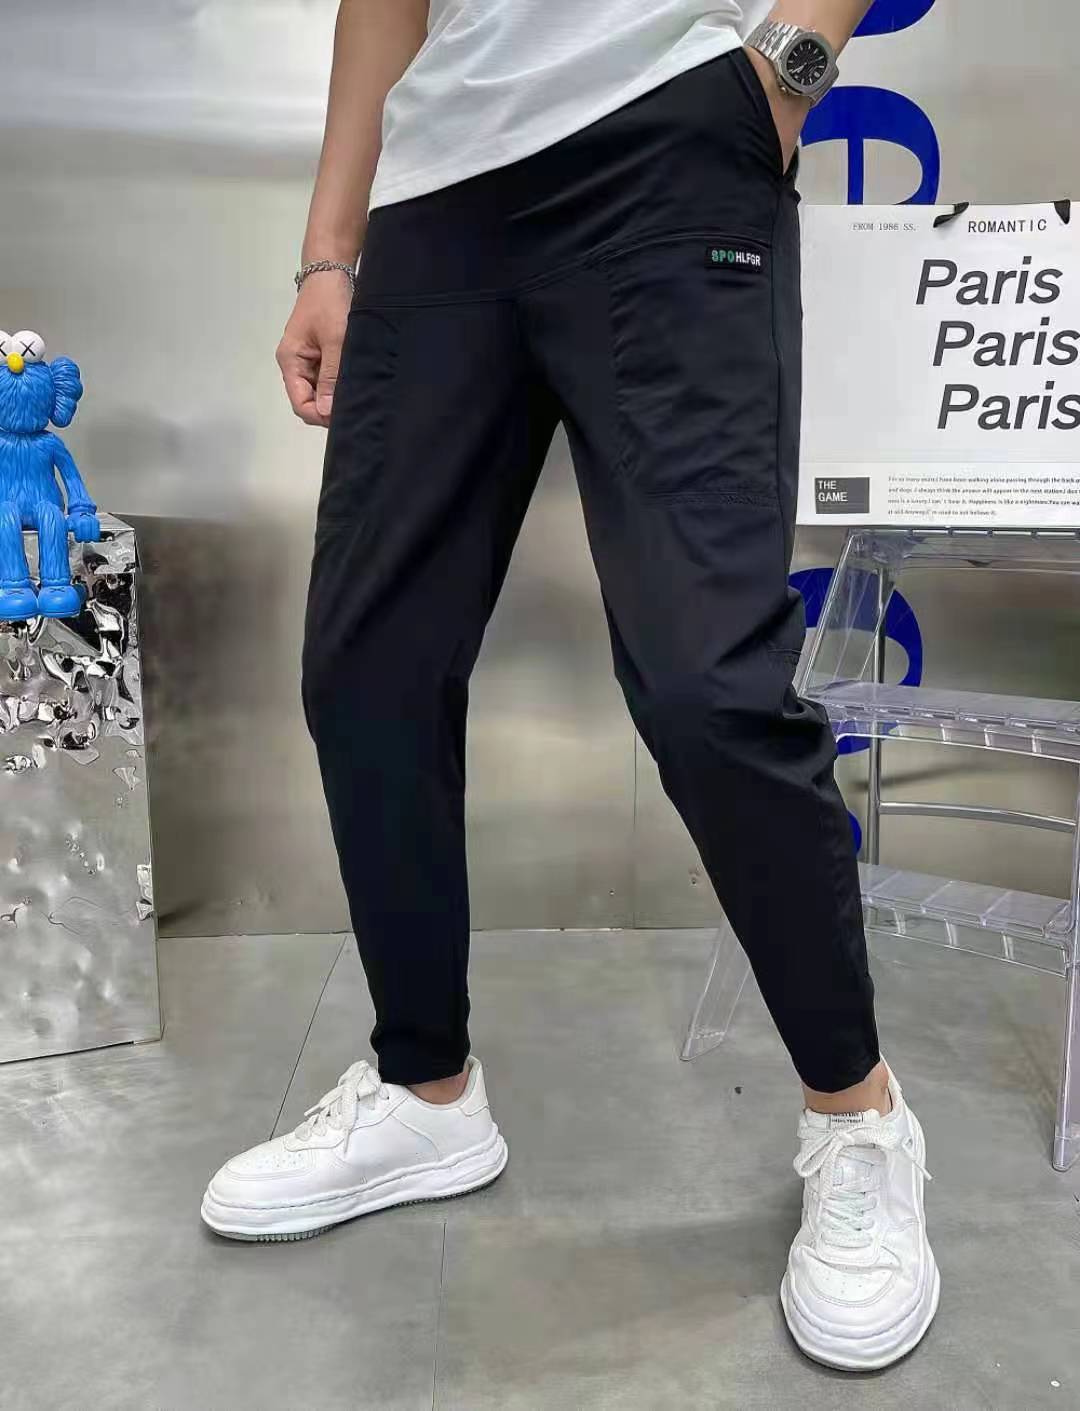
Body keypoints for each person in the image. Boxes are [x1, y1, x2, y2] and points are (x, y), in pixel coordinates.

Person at [201, 0, 939, 1371]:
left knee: (707, 686)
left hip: (663, 142)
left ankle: (859, 1118)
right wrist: (330, 251)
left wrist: (785, 73)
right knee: (368, 670)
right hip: (435, 193)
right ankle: (427, 1093)